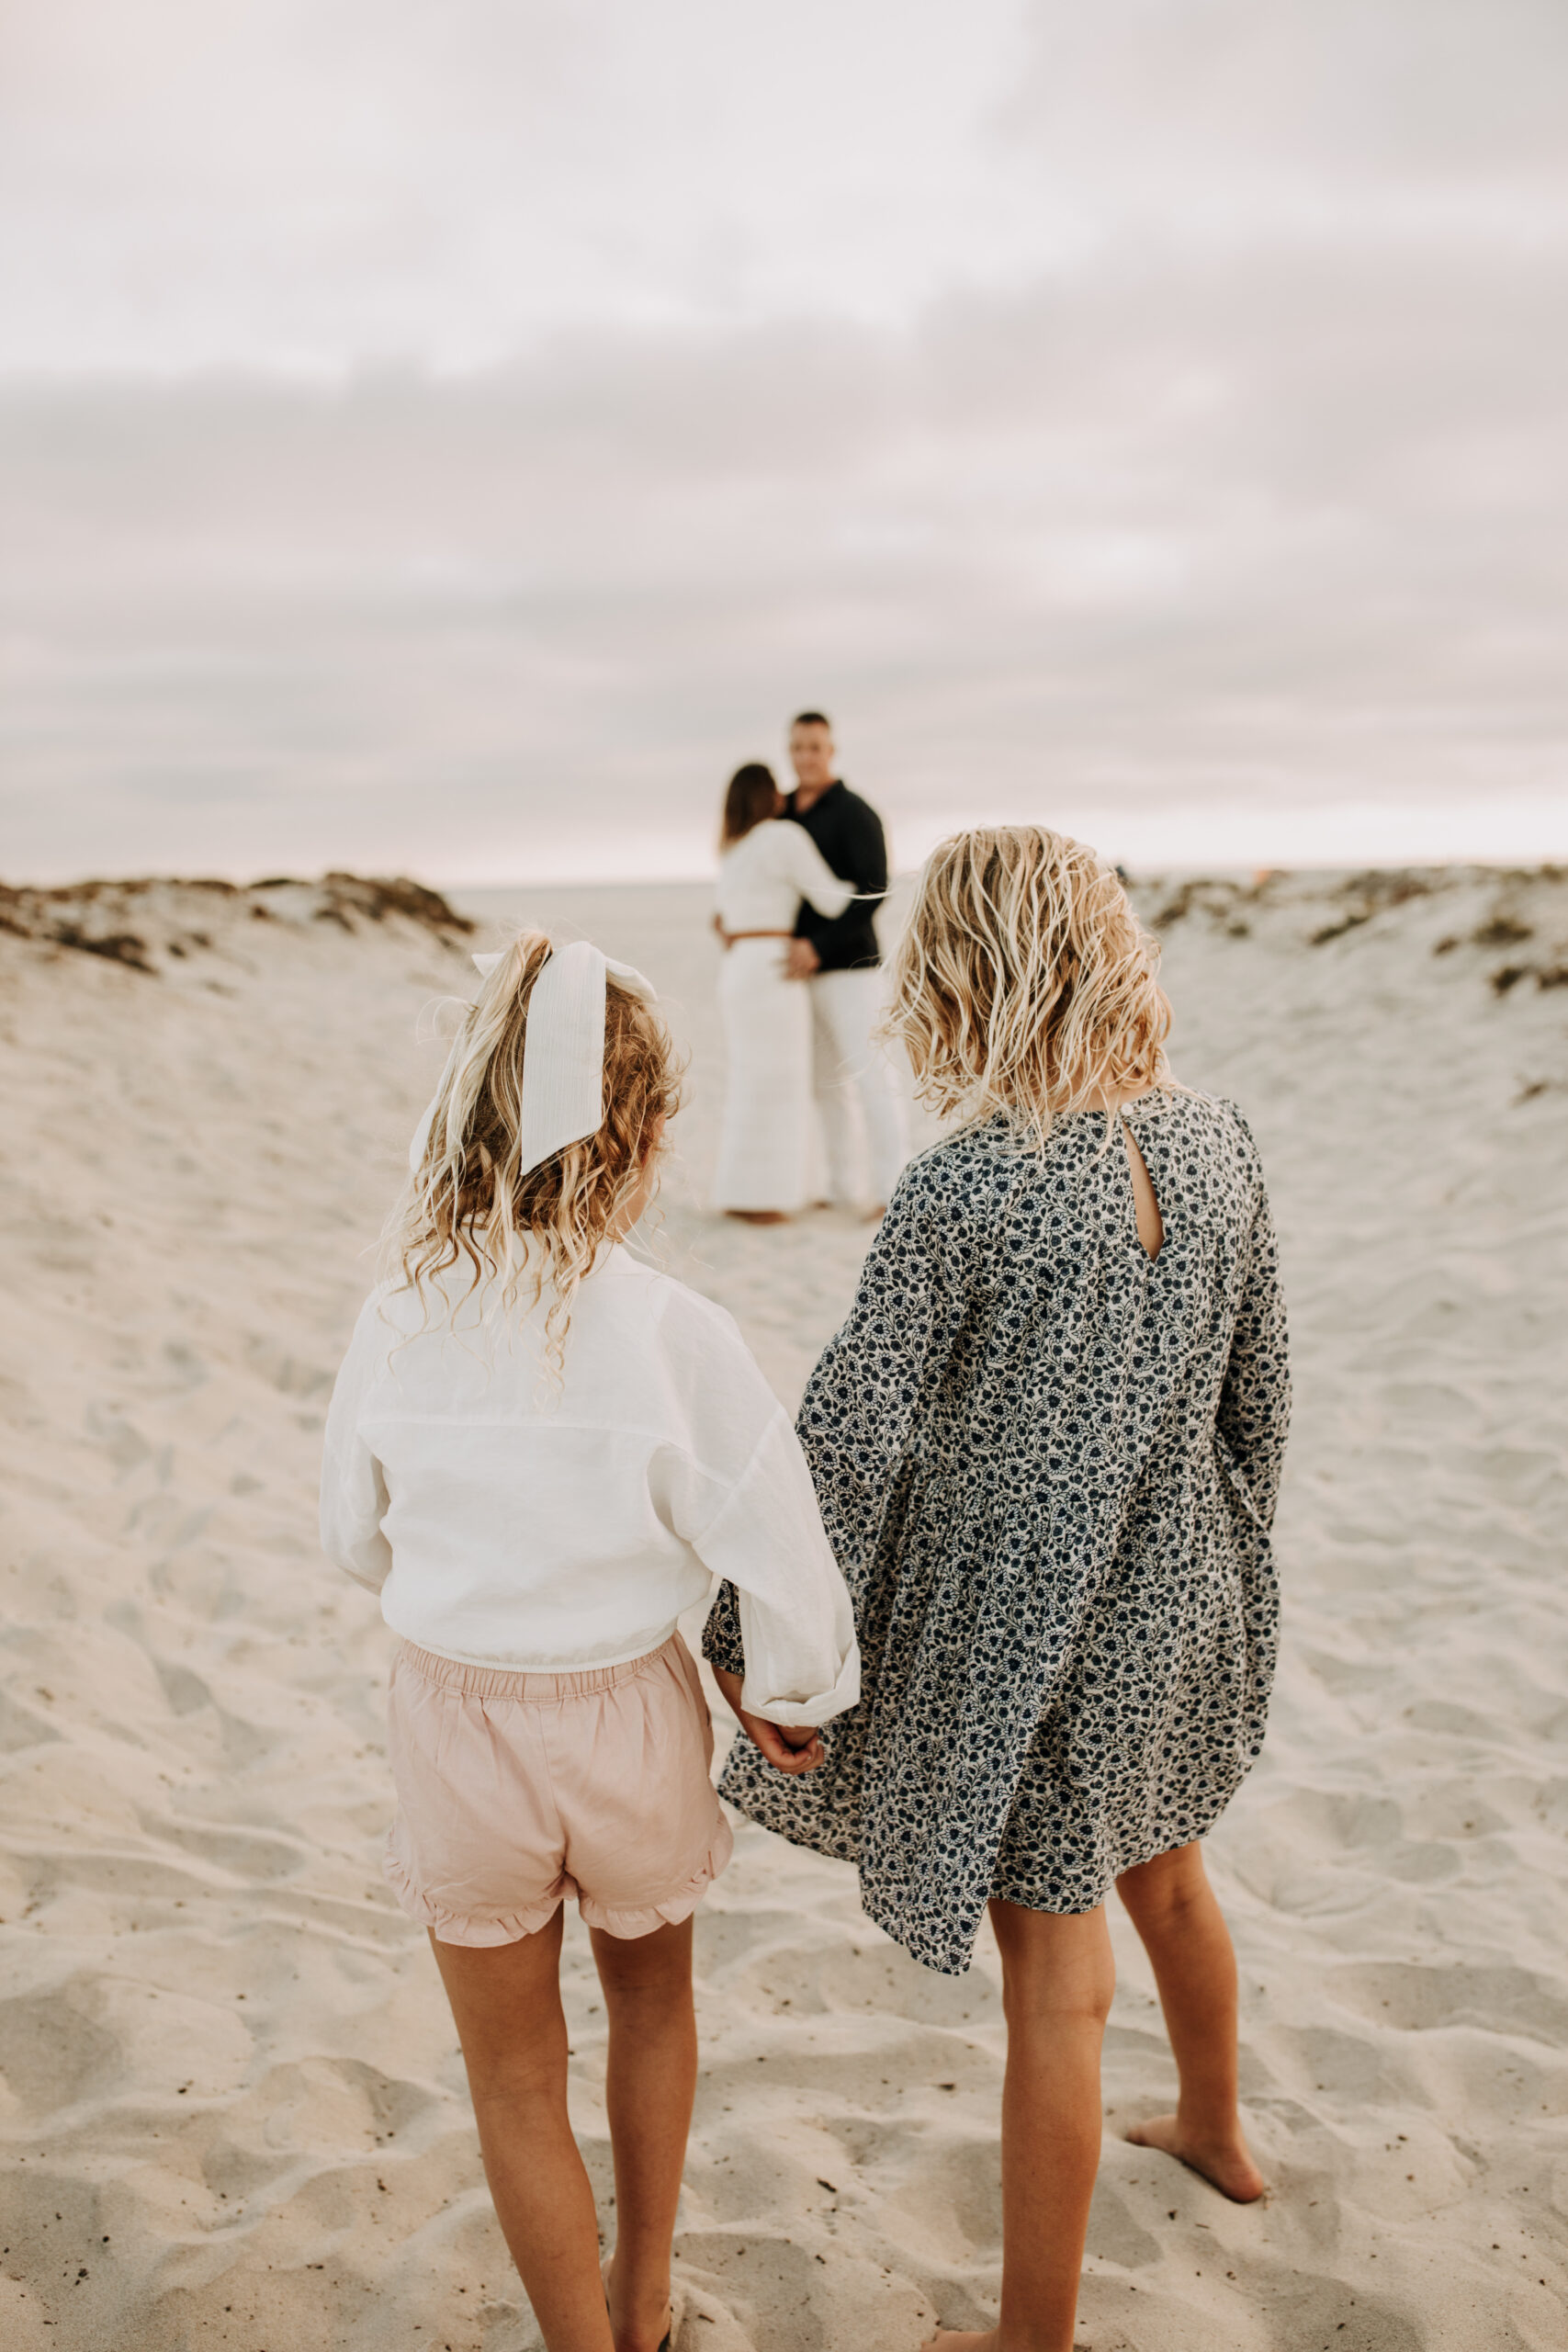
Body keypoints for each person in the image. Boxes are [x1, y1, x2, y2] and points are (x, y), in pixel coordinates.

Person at [704, 827, 1291, 2352]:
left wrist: (741, 1637)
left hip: (1033, 1636)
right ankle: (1220, 2127)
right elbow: (1257, 1403)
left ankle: (1035, 2336)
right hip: (1184, 1590)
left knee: (1055, 1973)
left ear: (961, 972)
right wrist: (1229, 1570)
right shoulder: (1219, 1138)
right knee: (1168, 1869)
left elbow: (841, 1433)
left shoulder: (969, 1184)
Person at [320, 933, 859, 2352]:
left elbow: (350, 1535)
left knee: (510, 2078)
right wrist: (794, 1689)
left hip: (455, 1722)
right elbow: (774, 1534)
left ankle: (580, 2341)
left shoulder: (399, 1315)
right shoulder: (675, 1331)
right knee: (652, 2012)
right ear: (650, 1133)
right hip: (625, 1716)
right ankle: (646, 2298)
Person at [712, 762, 856, 1224]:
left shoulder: (732, 848)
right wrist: (865, 879)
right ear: (768, 796)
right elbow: (832, 899)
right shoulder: (783, 836)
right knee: (780, 1082)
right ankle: (769, 1197)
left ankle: (741, 1191)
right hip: (773, 966)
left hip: (738, 967)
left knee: (748, 1080)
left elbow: (722, 918)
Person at [782, 711, 908, 1215]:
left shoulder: (856, 812)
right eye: (797, 747)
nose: (805, 756)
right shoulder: (783, 813)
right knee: (820, 1083)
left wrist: (819, 945)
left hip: (852, 968)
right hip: (794, 973)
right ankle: (839, 1189)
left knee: (871, 1077)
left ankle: (890, 1191)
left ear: (830, 751)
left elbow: (875, 891)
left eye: (814, 747)